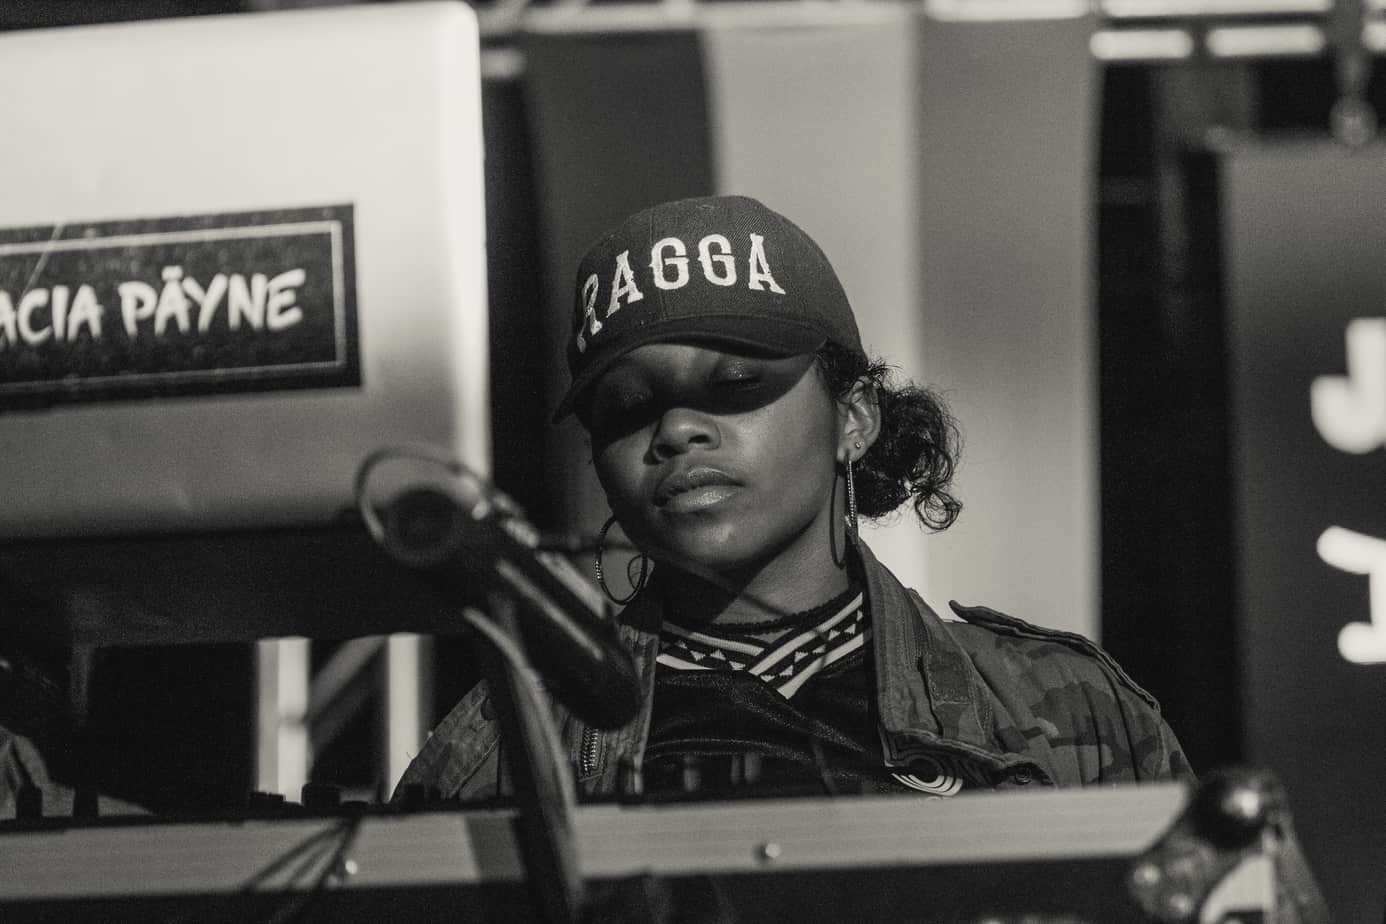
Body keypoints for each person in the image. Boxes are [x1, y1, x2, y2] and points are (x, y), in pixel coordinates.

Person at [394, 195, 1324, 918]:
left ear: (854, 418)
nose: (676, 430)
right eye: (628, 408)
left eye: (735, 385)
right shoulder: (509, 742)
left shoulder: (1064, 709)